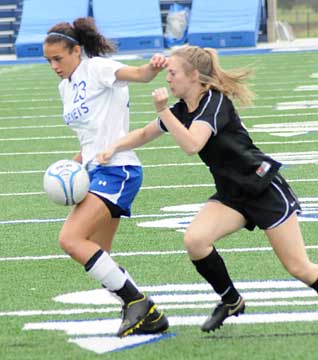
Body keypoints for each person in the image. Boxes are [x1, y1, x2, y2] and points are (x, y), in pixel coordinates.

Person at [97, 45, 318, 333]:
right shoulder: (181, 110)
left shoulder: (214, 102)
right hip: (232, 195)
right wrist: (113, 146)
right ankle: (231, 300)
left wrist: (163, 110)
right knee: (196, 241)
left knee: (299, 267)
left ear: (193, 76)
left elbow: (192, 144)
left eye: (173, 73)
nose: (168, 79)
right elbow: (143, 133)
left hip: (263, 188)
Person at [42, 16, 169, 337]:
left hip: (119, 169)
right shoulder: (64, 87)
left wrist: (153, 67)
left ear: (77, 50)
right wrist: (72, 165)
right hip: (94, 171)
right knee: (101, 256)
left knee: (70, 240)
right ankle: (148, 314)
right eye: (49, 61)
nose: (54, 65)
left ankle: (138, 302)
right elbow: (89, 137)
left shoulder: (97, 67)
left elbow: (139, 74)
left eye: (58, 58)